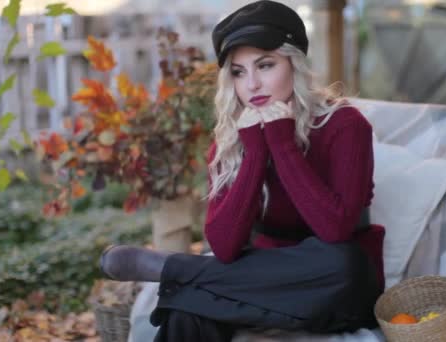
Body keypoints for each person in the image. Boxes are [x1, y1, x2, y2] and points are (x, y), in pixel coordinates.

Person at [99, 1, 385, 341]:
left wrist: (281, 143)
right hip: (256, 278)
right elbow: (223, 247)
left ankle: (174, 269)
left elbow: (334, 229)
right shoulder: (234, 137)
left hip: (330, 283)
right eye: (238, 71)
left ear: (293, 64)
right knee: (187, 311)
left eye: (265, 65)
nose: (252, 84)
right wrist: (254, 153)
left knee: (343, 263)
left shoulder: (344, 125)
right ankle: (192, 282)